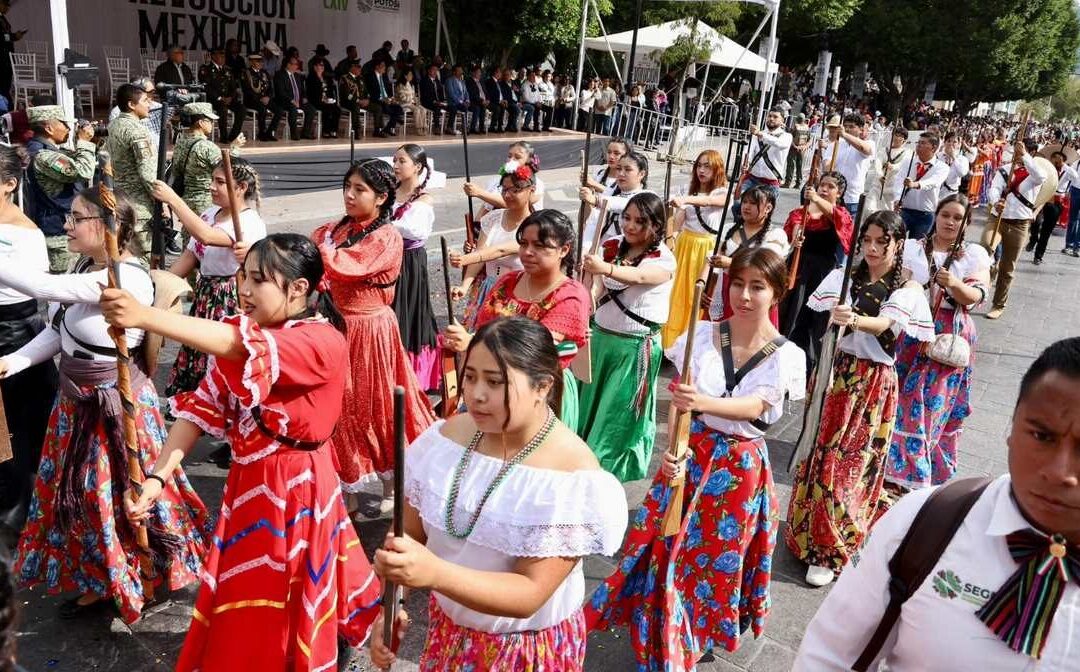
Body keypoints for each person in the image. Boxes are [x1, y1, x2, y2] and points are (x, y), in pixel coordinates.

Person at [103, 233, 382, 670]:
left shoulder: (321, 341)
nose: (244, 290)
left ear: (299, 288)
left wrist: (145, 315)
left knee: (288, 592)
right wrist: (157, 479)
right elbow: (199, 412)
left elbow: (234, 344)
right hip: (247, 488)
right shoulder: (248, 338)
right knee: (245, 592)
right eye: (243, 277)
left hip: (296, 490)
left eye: (258, 280)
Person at [795, 336, 1080, 670]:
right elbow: (828, 655)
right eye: (1042, 436)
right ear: (1012, 426)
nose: (1062, 473)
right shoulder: (924, 522)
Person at [587, 247, 807, 669]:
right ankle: (663, 625)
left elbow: (756, 407)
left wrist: (701, 400)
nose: (743, 295)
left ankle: (697, 629)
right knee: (665, 542)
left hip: (739, 467)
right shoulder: (704, 334)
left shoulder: (786, 355)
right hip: (692, 450)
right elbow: (679, 402)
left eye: (756, 287)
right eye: (738, 284)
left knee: (716, 554)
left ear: (776, 293)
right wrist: (672, 449)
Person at [370, 316, 627, 671]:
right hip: (448, 632)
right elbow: (407, 536)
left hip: (522, 652)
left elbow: (529, 594)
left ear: (542, 387)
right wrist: (391, 602)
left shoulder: (570, 478)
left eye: (495, 382)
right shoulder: (445, 439)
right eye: (471, 376)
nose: (476, 394)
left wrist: (433, 573)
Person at [0, 190, 209, 622]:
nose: (67, 225)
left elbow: (43, 286)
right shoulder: (84, 266)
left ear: (107, 226)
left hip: (118, 406)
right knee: (80, 499)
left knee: (124, 495)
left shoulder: (124, 279)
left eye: (77, 218)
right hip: (74, 405)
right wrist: (14, 361)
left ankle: (150, 572)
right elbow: (61, 333)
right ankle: (103, 577)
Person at [785, 210, 935, 587]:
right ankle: (809, 531)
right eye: (866, 240)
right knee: (821, 452)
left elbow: (885, 324)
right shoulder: (847, 275)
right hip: (837, 372)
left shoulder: (907, 286)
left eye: (880, 242)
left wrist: (851, 318)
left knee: (851, 460)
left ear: (897, 244)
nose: (871, 248)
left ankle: (832, 546)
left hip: (871, 381)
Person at [312, 159, 435, 507]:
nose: (349, 196)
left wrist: (321, 253)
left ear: (381, 197)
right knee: (341, 404)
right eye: (347, 187)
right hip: (337, 326)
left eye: (359, 189)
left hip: (370, 330)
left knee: (377, 404)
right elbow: (320, 263)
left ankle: (391, 483)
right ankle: (346, 482)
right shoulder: (336, 230)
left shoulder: (387, 236)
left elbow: (346, 265)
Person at [444, 210, 591, 430]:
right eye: (523, 244)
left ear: (564, 250)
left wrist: (473, 343)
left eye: (540, 246)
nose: (528, 252)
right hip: (492, 385)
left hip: (539, 392)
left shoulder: (571, 295)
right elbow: (484, 329)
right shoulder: (508, 282)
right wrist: (464, 341)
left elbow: (534, 351)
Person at [888, 195, 990, 493]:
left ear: (966, 223)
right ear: (936, 215)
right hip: (913, 331)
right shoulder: (913, 248)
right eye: (945, 214)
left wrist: (955, 285)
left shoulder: (974, 255)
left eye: (957, 217)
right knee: (903, 398)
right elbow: (898, 282)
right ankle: (897, 467)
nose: (950, 222)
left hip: (950, 334)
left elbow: (978, 296)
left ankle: (921, 470)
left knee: (933, 404)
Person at [577, 193, 675, 482]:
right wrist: (589, 296)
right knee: (586, 411)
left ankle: (602, 476)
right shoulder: (610, 246)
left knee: (614, 418)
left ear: (657, 225)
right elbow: (596, 287)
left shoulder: (664, 259)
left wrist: (603, 268)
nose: (630, 226)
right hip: (600, 341)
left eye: (640, 221)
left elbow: (642, 278)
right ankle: (578, 463)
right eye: (627, 218)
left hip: (634, 349)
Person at [153, 155, 266, 398]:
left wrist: (173, 199)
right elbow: (190, 256)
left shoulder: (249, 222)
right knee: (196, 347)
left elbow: (206, 236)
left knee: (219, 352)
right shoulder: (209, 213)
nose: (212, 187)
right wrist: (158, 286)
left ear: (241, 187)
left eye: (220, 182)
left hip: (230, 296)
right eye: (212, 180)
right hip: (205, 294)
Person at [0, 145, 58, 537]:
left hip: (13, 332)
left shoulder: (25, 235)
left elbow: (42, 290)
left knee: (18, 430)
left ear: (9, 184)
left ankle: (17, 512)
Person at [452, 160, 537, 329]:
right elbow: (481, 252)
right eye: (505, 189)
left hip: (518, 293)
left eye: (515, 190)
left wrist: (466, 258)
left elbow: (500, 250)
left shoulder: (535, 224)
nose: (508, 195)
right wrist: (465, 285)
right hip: (488, 288)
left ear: (531, 190)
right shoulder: (493, 218)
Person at [661, 148, 729, 349]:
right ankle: (671, 342)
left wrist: (687, 199)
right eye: (699, 165)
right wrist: (671, 223)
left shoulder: (723, 192)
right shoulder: (689, 193)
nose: (702, 170)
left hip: (706, 249)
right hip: (684, 246)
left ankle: (692, 342)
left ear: (717, 168)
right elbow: (678, 223)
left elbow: (709, 201)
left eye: (707, 166)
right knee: (676, 294)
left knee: (697, 295)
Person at [388, 145, 440, 392]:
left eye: (401, 161)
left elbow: (413, 231)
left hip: (408, 263)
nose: (396, 165)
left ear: (417, 167)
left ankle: (408, 370)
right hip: (387, 259)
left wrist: (382, 225)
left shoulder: (424, 200)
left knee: (406, 310)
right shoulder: (389, 192)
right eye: (394, 160)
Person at [24, 104, 96, 273]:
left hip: (61, 229)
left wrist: (86, 143)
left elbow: (77, 160)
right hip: (58, 234)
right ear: (49, 128)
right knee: (65, 286)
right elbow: (83, 171)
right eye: (63, 123)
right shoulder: (44, 156)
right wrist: (84, 142)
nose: (68, 128)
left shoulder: (45, 150)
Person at [705, 186, 790, 324]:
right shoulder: (728, 229)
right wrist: (703, 285)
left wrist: (731, 263)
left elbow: (768, 268)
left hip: (755, 295)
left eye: (753, 203)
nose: (746, 207)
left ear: (768, 208)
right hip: (727, 291)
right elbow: (712, 261)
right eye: (745, 202)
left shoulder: (775, 235)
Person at [984, 138, 1046, 320]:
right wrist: (997, 201)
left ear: (1031, 152)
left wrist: (1025, 155)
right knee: (985, 247)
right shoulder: (1004, 170)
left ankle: (998, 304)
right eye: (1017, 151)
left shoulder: (1034, 173)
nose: (1017, 155)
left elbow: (1041, 177)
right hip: (998, 219)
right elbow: (993, 189)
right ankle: (984, 277)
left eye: (1023, 151)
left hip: (1020, 223)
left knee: (1008, 267)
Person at [105, 83, 157, 260]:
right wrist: (163, 201)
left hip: (121, 198)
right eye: (145, 100)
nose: (149, 104)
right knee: (144, 258)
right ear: (131, 105)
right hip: (140, 205)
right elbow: (147, 173)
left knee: (126, 254)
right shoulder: (137, 131)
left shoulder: (114, 125)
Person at [578, 151, 653, 248]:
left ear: (642, 174)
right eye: (619, 169)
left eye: (628, 170)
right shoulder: (610, 192)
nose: (621, 173)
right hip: (600, 253)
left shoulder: (648, 197)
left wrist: (596, 200)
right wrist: (585, 249)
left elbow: (627, 203)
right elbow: (593, 223)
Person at [732, 108, 792, 227]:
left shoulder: (786, 136)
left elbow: (780, 144)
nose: (771, 119)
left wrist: (760, 134)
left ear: (782, 121)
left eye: (775, 117)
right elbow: (748, 150)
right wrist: (745, 162)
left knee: (762, 214)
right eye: (770, 116)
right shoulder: (757, 135)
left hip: (770, 183)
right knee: (738, 205)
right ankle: (739, 229)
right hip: (752, 179)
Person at [170, 102, 223, 221]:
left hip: (186, 200)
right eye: (209, 120)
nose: (212, 124)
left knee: (188, 237)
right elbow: (225, 170)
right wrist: (235, 149)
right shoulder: (207, 147)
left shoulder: (181, 141)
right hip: (205, 202)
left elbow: (176, 169)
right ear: (200, 122)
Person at [464, 141, 546, 218]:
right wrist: (476, 226)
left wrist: (479, 192)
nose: (511, 160)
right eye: (509, 156)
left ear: (529, 160)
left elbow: (510, 203)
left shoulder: (537, 184)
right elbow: (487, 206)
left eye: (517, 157)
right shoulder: (498, 180)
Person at [892, 132, 949, 240]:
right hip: (905, 211)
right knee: (895, 240)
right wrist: (897, 199)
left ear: (934, 147)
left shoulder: (942, 167)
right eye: (918, 142)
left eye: (923, 143)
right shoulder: (908, 162)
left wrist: (915, 184)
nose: (918, 145)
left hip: (925, 215)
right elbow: (899, 181)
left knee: (915, 248)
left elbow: (933, 182)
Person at [823, 114, 874, 218]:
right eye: (845, 126)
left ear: (860, 129)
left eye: (851, 127)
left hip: (852, 198)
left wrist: (845, 135)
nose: (847, 129)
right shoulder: (834, 144)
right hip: (833, 196)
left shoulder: (869, 143)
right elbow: (827, 166)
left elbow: (865, 149)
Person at [1031, 151, 1078, 264]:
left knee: (1046, 231)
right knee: (1035, 222)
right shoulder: (1047, 169)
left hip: (1057, 200)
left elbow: (1075, 177)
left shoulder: (1067, 171)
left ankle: (1038, 255)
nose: (1055, 161)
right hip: (1044, 197)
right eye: (1053, 158)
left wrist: (1064, 166)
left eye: (1058, 159)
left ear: (1063, 160)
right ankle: (1033, 238)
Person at [200, 47, 244, 143]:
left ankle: (233, 136)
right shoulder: (206, 69)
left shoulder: (227, 69)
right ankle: (223, 137)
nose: (223, 58)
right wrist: (220, 98)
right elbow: (206, 87)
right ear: (213, 56)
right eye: (220, 55)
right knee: (222, 109)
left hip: (228, 99)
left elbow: (233, 87)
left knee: (241, 109)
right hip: (214, 100)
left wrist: (231, 97)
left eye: (224, 55)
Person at [241, 53, 280, 141]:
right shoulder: (246, 73)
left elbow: (270, 88)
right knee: (262, 108)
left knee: (279, 110)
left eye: (261, 61)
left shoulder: (264, 72)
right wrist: (260, 98)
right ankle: (262, 133)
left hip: (265, 99)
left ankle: (269, 132)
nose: (260, 63)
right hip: (252, 100)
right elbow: (247, 90)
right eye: (257, 61)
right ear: (251, 62)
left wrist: (268, 97)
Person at [872, 127, 911, 214]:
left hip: (893, 188)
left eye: (900, 136)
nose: (897, 138)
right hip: (879, 186)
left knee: (889, 212)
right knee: (872, 209)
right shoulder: (884, 150)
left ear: (904, 140)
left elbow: (904, 165)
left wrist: (893, 166)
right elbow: (877, 163)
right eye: (895, 135)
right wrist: (880, 176)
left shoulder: (907, 152)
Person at [365, 60, 404, 138]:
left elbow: (388, 90)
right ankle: (385, 127)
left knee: (398, 108)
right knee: (387, 109)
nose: (385, 68)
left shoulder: (384, 77)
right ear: (377, 66)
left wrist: (391, 98)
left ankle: (387, 128)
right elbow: (369, 92)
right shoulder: (370, 77)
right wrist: (382, 99)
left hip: (386, 100)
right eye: (383, 66)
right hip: (376, 100)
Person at [271, 55, 305, 141]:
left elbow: (302, 90)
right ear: (288, 64)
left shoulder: (297, 76)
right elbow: (281, 92)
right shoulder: (280, 75)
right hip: (285, 101)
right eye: (294, 64)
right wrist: (292, 100)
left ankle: (306, 132)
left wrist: (304, 98)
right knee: (292, 108)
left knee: (311, 109)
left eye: (297, 64)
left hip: (297, 101)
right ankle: (294, 133)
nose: (296, 66)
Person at [304, 60, 340, 139]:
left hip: (326, 100)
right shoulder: (311, 77)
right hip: (315, 100)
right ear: (315, 67)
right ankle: (326, 131)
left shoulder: (326, 78)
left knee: (336, 109)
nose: (322, 67)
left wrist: (329, 99)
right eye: (320, 65)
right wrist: (322, 99)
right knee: (327, 109)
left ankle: (333, 130)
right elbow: (311, 92)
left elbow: (330, 90)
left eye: (323, 65)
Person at [340, 59, 371, 140]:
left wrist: (367, 99)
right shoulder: (344, 78)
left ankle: (379, 130)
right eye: (358, 67)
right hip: (348, 102)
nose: (360, 69)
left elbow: (366, 91)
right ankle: (356, 131)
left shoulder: (360, 78)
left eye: (360, 67)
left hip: (361, 102)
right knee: (355, 107)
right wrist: (358, 101)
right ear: (351, 68)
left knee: (377, 107)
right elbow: (347, 95)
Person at [0, 0, 25, 102]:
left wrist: (14, 36)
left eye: (8, 6)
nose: (7, 8)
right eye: (5, 5)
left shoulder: (3, 18)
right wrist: (13, 36)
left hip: (6, 57)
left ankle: (5, 104)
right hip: (1, 57)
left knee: (6, 83)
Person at [938, 131, 971, 199]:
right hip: (937, 192)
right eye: (948, 141)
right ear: (944, 143)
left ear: (959, 144)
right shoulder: (938, 156)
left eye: (954, 142)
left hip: (951, 193)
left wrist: (953, 157)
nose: (951, 144)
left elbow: (961, 173)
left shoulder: (962, 159)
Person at [419, 63, 449, 135]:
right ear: (429, 71)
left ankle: (449, 127)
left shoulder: (437, 81)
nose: (435, 72)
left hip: (438, 102)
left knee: (452, 107)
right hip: (428, 102)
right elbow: (425, 95)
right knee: (437, 107)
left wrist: (441, 101)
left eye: (436, 70)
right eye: (433, 70)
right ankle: (436, 127)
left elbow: (441, 92)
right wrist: (434, 101)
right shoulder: (424, 81)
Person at [784, 113, 811, 188]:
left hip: (794, 148)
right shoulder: (807, 127)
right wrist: (805, 146)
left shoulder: (796, 126)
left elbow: (791, 135)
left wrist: (794, 146)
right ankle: (798, 183)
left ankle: (787, 182)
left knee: (791, 166)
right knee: (800, 166)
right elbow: (809, 139)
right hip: (802, 149)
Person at [464, 64, 489, 134]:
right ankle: (473, 127)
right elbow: (472, 94)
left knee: (483, 107)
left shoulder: (481, 81)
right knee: (477, 108)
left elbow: (486, 92)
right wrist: (481, 100)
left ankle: (481, 127)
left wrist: (488, 99)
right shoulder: (469, 81)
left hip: (482, 102)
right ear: (473, 73)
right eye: (478, 72)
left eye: (480, 72)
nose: (480, 74)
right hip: (473, 102)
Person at [445, 64, 470, 129]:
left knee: (465, 107)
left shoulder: (462, 81)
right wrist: (461, 102)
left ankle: (464, 127)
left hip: (461, 103)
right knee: (454, 109)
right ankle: (449, 128)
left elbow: (466, 93)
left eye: (461, 70)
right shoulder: (449, 80)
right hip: (452, 102)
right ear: (454, 72)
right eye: (459, 71)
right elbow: (451, 94)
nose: (461, 72)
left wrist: (467, 100)